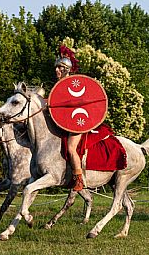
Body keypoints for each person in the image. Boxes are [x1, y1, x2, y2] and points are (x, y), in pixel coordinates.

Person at [54, 45, 84, 191]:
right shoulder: (58, 85)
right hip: (64, 123)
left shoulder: (72, 85)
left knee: (71, 148)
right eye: (56, 67)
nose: (56, 70)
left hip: (76, 123)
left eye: (59, 68)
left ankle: (79, 178)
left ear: (66, 69)